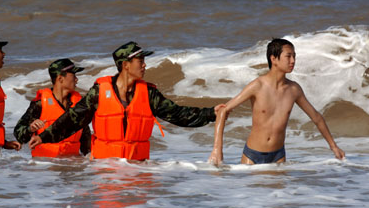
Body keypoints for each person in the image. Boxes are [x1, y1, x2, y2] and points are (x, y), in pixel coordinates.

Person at [29, 41, 223, 161]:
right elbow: (73, 119)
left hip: (138, 170)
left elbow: (179, 115)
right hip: (105, 171)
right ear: (126, 65)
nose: (145, 65)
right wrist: (44, 137)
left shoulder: (148, 93)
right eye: (140, 61)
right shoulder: (99, 92)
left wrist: (211, 113)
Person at [208, 38, 345, 166]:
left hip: (278, 156)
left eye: (294, 56)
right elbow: (223, 110)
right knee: (250, 192)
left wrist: (334, 147)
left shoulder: (294, 89)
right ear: (274, 59)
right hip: (252, 155)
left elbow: (316, 118)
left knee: (278, 193)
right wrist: (217, 150)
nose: (293, 61)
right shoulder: (257, 86)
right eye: (288, 56)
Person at [14, 58, 91, 157]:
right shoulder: (40, 104)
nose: (76, 79)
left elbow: (85, 137)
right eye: (73, 75)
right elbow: (19, 135)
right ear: (60, 79)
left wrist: (89, 162)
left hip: (72, 166)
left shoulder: (78, 105)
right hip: (45, 167)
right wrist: (30, 129)